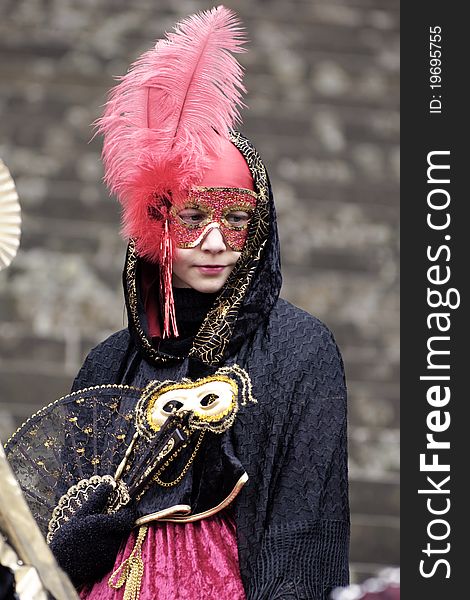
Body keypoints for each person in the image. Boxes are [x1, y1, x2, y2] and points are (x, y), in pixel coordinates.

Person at [8, 6, 350, 599]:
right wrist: (74, 546)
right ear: (154, 224)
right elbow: (48, 550)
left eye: (236, 218)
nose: (215, 241)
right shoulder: (107, 365)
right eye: (192, 216)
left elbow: (304, 535)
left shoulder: (301, 352)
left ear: (260, 223)